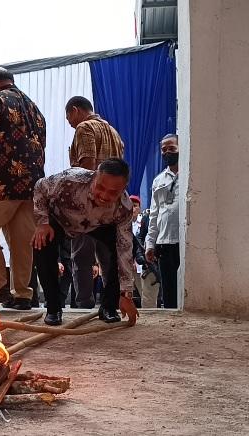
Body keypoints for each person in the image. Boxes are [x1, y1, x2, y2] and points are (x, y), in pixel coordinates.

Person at [0, 67, 46, 310]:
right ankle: (22, 294)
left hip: (1, 185)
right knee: (22, 242)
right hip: (32, 187)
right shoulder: (34, 108)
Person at [32, 158, 139, 326]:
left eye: (113, 192)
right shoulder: (70, 179)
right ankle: (53, 308)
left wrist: (126, 293)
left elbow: (125, 249)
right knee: (41, 243)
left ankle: (109, 307)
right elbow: (40, 186)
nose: (104, 196)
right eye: (101, 187)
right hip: (60, 220)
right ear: (94, 176)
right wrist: (42, 223)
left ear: (123, 189)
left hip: (97, 225)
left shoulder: (124, 208)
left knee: (119, 250)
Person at [65, 96, 126, 309]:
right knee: (108, 257)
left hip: (89, 203)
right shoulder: (114, 132)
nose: (71, 123)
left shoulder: (85, 128)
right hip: (111, 204)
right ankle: (112, 305)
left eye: (69, 118)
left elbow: (87, 168)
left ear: (75, 110)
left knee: (82, 257)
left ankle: (83, 304)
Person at [146, 134, 180, 309]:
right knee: (168, 290)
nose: (167, 152)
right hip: (164, 242)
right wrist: (150, 244)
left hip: (184, 244)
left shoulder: (191, 175)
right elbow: (154, 215)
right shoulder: (158, 180)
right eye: (163, 149)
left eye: (171, 148)